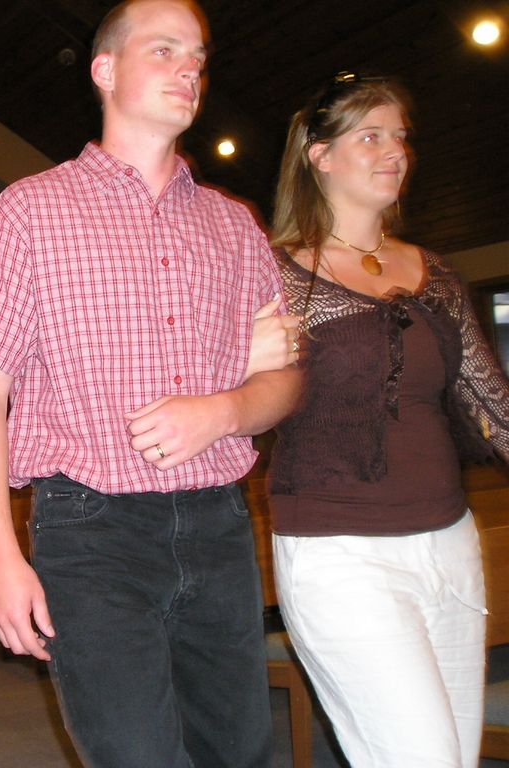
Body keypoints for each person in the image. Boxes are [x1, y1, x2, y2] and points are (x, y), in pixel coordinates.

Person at [0, 1, 302, 765]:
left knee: (240, 754)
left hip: (218, 523)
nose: (190, 68)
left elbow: (282, 383)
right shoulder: (29, 213)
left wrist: (223, 411)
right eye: (165, 50)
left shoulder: (234, 226)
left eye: (199, 56)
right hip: (91, 533)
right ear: (105, 70)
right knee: (136, 756)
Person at [268, 72, 509, 766]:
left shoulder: (434, 271)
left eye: (399, 136)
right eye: (370, 136)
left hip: (449, 544)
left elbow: (490, 401)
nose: (395, 151)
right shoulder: (275, 275)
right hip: (341, 553)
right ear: (320, 155)